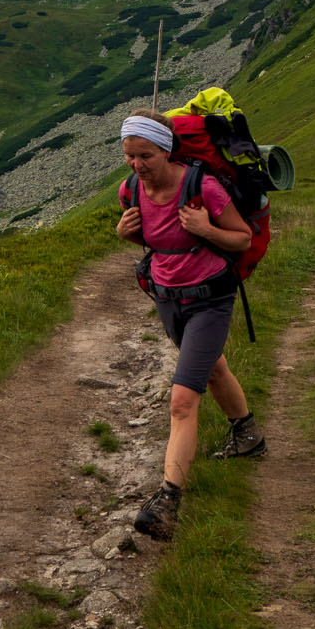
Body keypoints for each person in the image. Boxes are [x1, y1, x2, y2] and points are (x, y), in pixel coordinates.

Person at [115, 109, 266, 541]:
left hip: (211, 300)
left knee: (182, 400)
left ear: (165, 149)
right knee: (212, 368)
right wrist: (128, 235)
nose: (137, 165)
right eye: (130, 156)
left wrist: (206, 228)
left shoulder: (203, 187)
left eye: (145, 155)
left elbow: (241, 238)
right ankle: (248, 435)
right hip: (167, 298)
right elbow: (157, 240)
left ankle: (167, 503)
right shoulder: (131, 190)